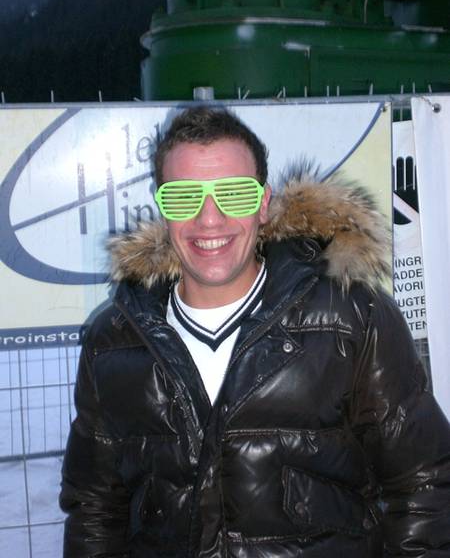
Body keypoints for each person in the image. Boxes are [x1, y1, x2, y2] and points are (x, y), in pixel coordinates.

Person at [60, 106, 450, 558]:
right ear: (162, 208)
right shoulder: (114, 341)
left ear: (264, 204)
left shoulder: (350, 317)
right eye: (184, 198)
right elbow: (94, 509)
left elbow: (424, 484)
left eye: (234, 195)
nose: (209, 219)